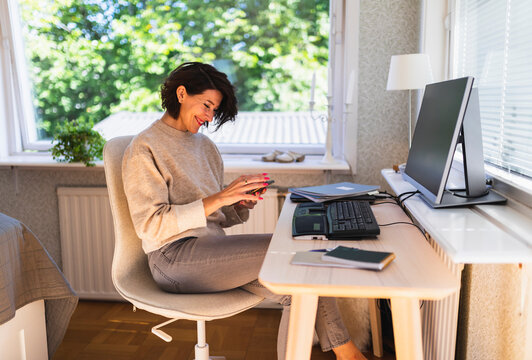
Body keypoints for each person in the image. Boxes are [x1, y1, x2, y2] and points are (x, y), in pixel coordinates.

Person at [122, 61, 367, 360]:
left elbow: (216, 218)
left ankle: (345, 353)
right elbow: (150, 225)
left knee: (300, 288)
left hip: (211, 251)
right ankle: (350, 355)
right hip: (173, 259)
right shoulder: (144, 148)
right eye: (206, 105)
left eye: (214, 110)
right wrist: (219, 198)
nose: (209, 116)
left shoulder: (205, 147)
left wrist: (237, 203)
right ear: (182, 93)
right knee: (293, 251)